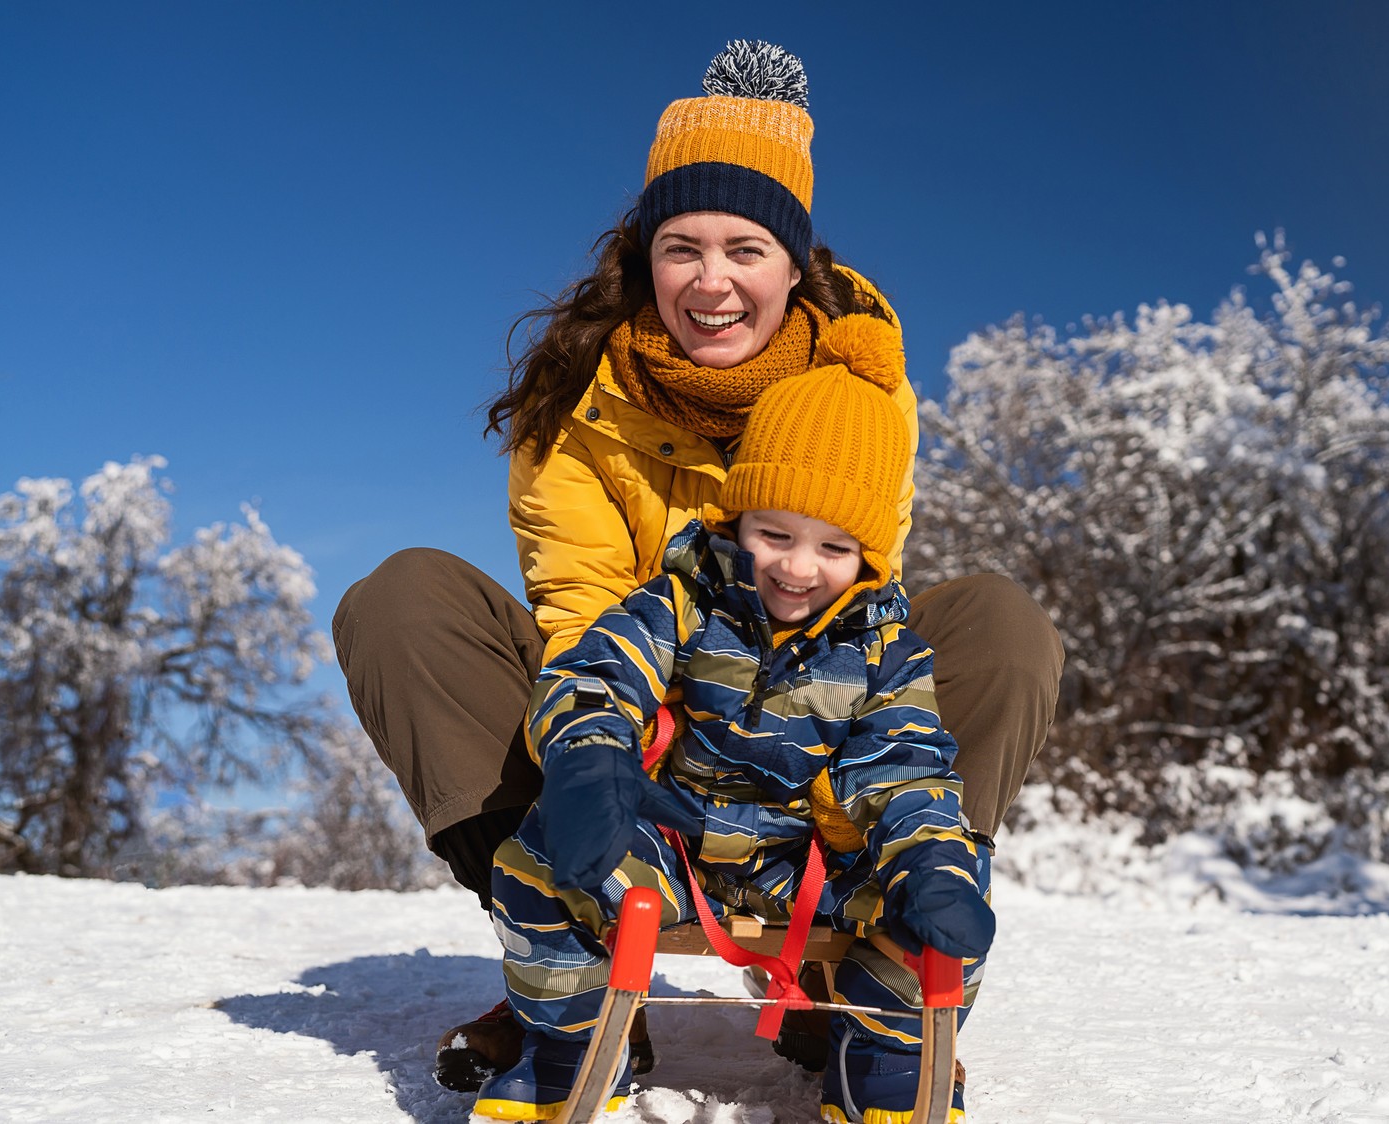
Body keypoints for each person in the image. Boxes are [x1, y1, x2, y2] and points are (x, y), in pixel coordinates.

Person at [329, 39, 1062, 1091]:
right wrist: (597, 747)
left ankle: (887, 961)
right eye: (681, 247)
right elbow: (583, 603)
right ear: (645, 255)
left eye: (744, 249)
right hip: (627, 704)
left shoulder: (864, 390)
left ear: (792, 265)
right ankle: (565, 969)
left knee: (999, 624)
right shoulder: (577, 397)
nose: (710, 282)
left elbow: (852, 602)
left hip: (803, 715)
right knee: (402, 599)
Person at [476, 323, 991, 1122]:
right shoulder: (681, 604)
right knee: (538, 865)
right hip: (677, 843)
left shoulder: (888, 654)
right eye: (773, 533)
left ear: (870, 557)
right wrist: (590, 756)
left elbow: (905, 771)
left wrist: (929, 858)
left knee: (943, 900)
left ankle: (882, 1073)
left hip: (806, 864)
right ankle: (572, 1058)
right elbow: (598, 673)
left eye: (833, 546)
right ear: (736, 519)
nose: (796, 566)